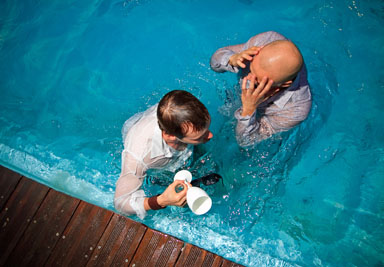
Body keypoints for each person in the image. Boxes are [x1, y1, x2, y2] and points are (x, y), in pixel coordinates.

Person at [114, 90, 213, 219]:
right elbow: (120, 204)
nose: (211, 136)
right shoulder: (140, 156)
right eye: (199, 136)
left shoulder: (179, 108)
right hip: (150, 155)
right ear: (171, 136)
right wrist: (163, 200)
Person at [210, 31, 311, 146]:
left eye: (258, 80)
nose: (248, 79)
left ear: (284, 84)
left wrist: (248, 110)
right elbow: (214, 63)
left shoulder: (295, 110)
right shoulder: (264, 42)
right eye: (251, 69)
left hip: (260, 118)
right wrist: (232, 59)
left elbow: (245, 142)